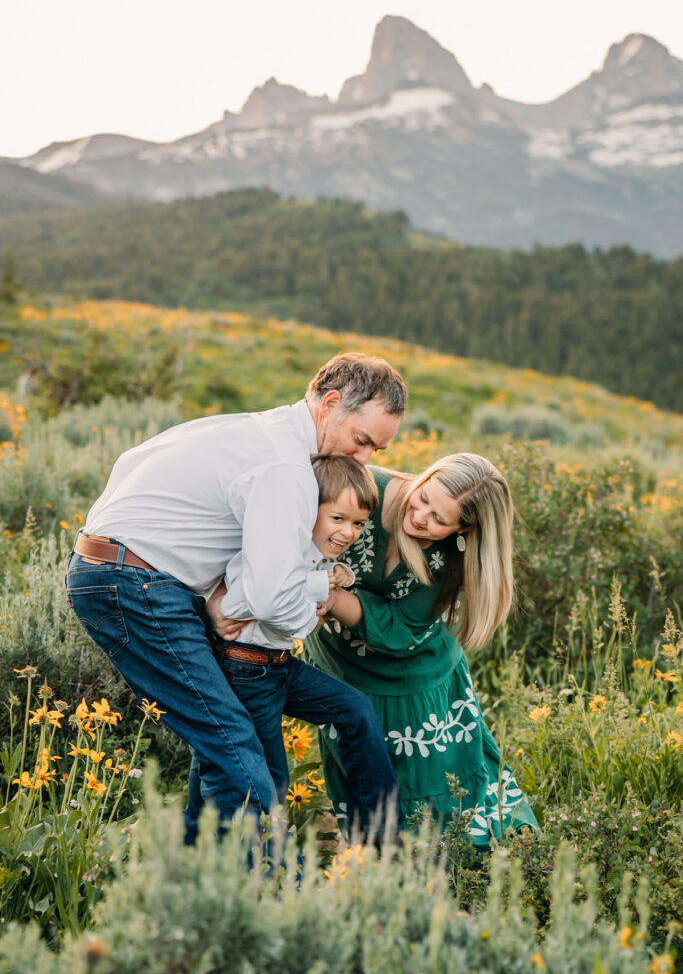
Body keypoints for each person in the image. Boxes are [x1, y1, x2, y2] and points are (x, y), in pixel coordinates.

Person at [65, 353, 407, 843]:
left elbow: (130, 463)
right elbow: (275, 605)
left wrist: (215, 589)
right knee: (235, 747)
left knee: (221, 742)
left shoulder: (248, 430)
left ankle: (201, 878)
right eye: (362, 440)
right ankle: (254, 897)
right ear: (331, 404)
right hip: (135, 584)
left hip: (119, 569)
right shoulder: (284, 467)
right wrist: (316, 590)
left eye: (376, 448)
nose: (365, 459)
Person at [304, 453, 539, 845]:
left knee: (436, 779)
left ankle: (459, 862)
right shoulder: (364, 488)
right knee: (358, 771)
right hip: (341, 664)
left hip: (413, 675)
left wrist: (327, 599)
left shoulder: (455, 558)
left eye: (439, 520)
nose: (420, 516)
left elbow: (398, 628)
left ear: (464, 528)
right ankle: (375, 860)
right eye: (424, 497)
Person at [186, 455, 399, 837]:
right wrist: (319, 590)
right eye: (338, 518)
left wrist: (331, 579)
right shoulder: (274, 552)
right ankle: (244, 868)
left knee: (356, 710)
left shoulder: (315, 558)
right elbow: (242, 605)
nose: (349, 532)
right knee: (267, 779)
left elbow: (314, 591)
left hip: (278, 666)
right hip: (246, 669)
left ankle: (378, 835)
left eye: (358, 523)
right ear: (307, 510)